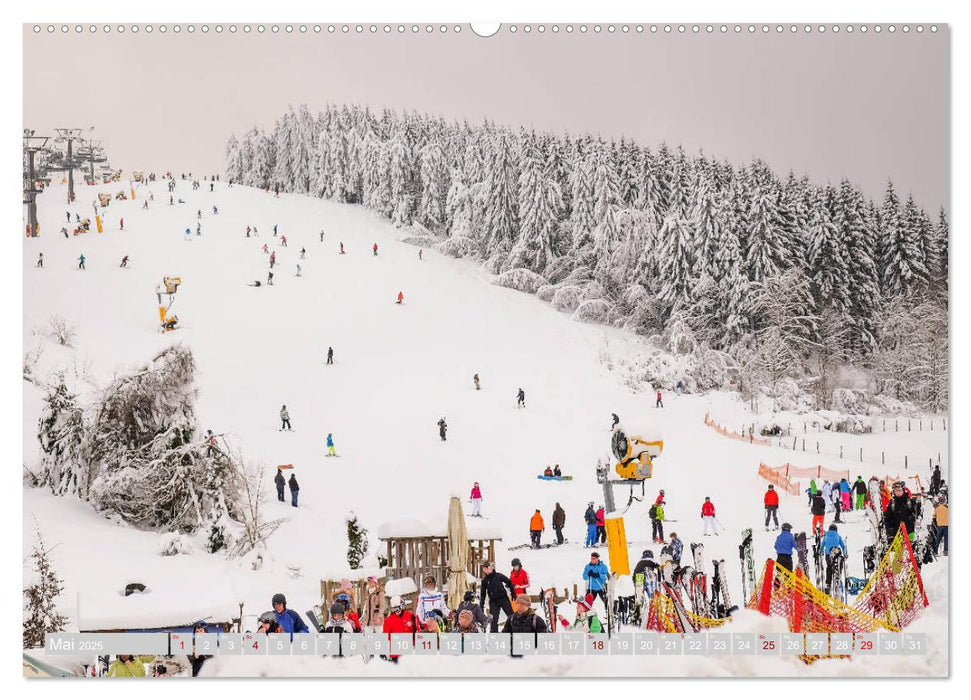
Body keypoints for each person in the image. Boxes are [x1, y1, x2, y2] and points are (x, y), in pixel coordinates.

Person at [479, 561, 516, 632]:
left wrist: (513, 593)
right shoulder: (484, 581)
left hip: (503, 598)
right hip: (493, 601)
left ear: (491, 568)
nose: (486, 570)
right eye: (484, 569)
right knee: (493, 620)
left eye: (488, 568)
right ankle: (494, 636)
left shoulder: (498, 575)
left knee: (511, 616)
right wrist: (481, 606)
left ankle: (515, 632)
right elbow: (482, 594)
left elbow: (509, 582)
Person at [820, 524, 848, 594]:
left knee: (829, 567)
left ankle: (828, 584)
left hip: (828, 554)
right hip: (836, 554)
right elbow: (843, 546)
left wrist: (821, 552)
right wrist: (845, 553)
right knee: (838, 566)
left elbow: (822, 545)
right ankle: (838, 577)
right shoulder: (837, 536)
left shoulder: (826, 536)